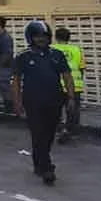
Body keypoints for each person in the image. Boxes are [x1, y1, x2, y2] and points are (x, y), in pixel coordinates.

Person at [13, 21, 75, 185]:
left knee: (48, 135)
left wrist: (71, 97)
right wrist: (17, 102)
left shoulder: (57, 55)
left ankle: (39, 164)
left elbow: (67, 76)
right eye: (38, 36)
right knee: (38, 134)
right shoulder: (23, 56)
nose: (41, 39)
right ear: (31, 37)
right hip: (33, 102)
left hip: (54, 101)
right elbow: (17, 81)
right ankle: (47, 168)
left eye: (45, 36)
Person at [52, 27, 85, 142]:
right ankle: (70, 131)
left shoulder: (51, 49)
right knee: (73, 110)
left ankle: (56, 129)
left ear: (55, 37)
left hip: (56, 85)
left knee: (54, 109)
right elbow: (81, 68)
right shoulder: (76, 50)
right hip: (74, 84)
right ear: (69, 38)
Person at [0, 16, 15, 114]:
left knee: (4, 85)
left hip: (4, 65)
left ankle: (10, 106)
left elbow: (8, 53)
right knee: (1, 85)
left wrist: (1, 64)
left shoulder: (5, 38)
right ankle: (7, 105)